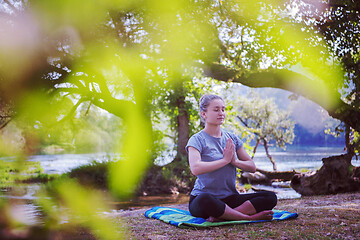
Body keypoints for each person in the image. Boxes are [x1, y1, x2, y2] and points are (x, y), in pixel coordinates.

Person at [186, 94, 277, 222]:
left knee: (270, 197)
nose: (221, 113)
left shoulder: (232, 138)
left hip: (230, 198)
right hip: (204, 200)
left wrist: (234, 161)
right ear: (204, 114)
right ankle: (246, 217)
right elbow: (195, 168)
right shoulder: (197, 140)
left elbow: (252, 167)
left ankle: (222, 216)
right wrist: (224, 161)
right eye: (216, 109)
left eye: (223, 109)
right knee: (204, 199)